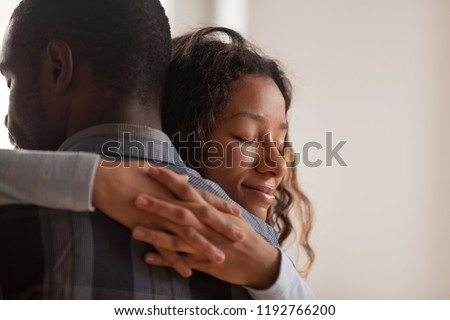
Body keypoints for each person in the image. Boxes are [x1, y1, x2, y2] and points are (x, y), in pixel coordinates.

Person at [0, 0, 314, 299]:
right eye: (246, 138)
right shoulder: (258, 254)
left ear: (58, 67)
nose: (278, 167)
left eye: (11, 81)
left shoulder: (17, 216)